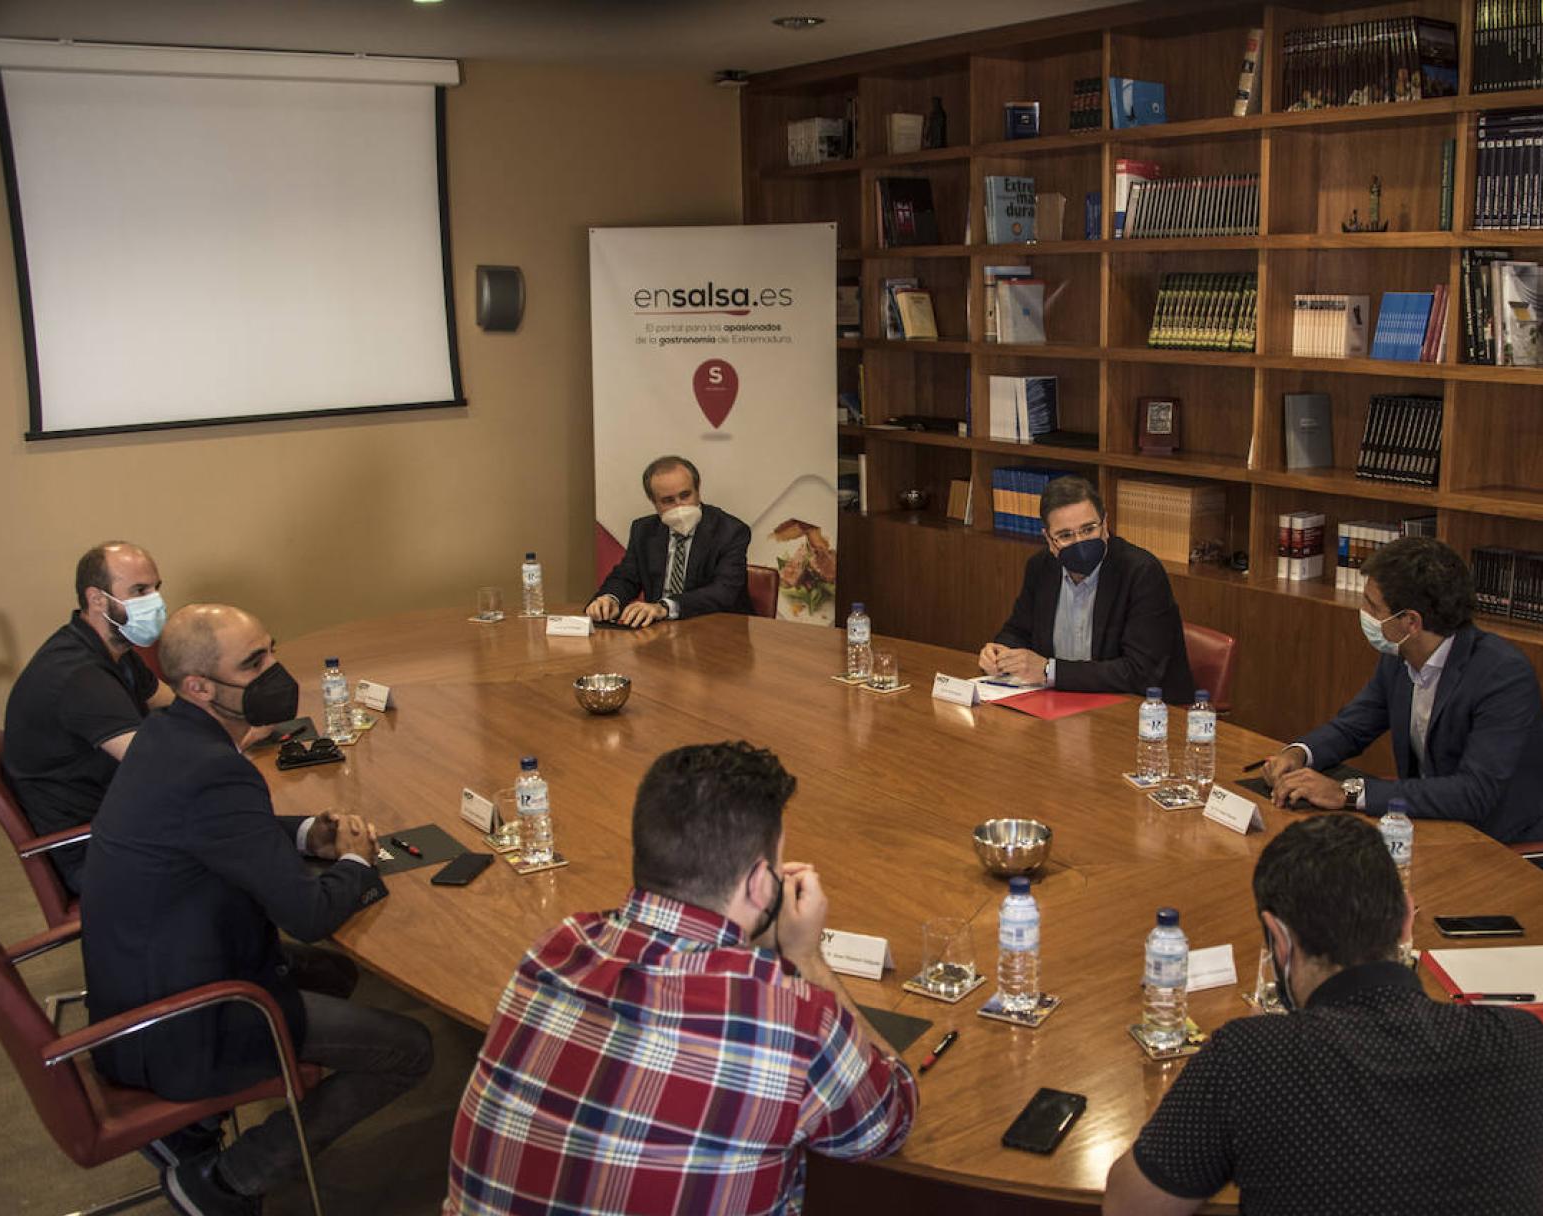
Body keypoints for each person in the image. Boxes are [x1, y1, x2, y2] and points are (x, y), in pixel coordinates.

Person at [446, 741, 916, 1216]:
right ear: (759, 884)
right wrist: (805, 958)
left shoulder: (556, 948)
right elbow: (888, 1123)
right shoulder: (789, 1020)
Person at [80, 604, 433, 1216]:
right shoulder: (215, 768)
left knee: (335, 975)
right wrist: (354, 862)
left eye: (270, 650)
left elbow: (220, 828)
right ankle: (225, 1180)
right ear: (198, 687)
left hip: (142, 978)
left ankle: (205, 1126)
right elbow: (309, 917)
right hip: (185, 1016)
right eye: (254, 663)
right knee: (411, 1049)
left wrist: (307, 838)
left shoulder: (170, 737)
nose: (274, 671)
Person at [1102, 814, 1543, 1216]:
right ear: (1407, 920)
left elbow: (1128, 1205)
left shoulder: (1249, 1058)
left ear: (1279, 940)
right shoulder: (1520, 1038)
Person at [1262, 536, 1543, 847]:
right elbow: (1352, 727)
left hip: (1503, 847)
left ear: (1411, 622)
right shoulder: (1399, 657)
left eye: (1371, 605)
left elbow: (1474, 793)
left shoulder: (1503, 675)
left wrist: (1347, 793)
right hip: (1428, 829)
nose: (1362, 612)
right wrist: (1299, 753)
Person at [2, 541, 174, 892]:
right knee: (231, 831)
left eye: (157, 588)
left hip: (124, 815)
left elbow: (173, 703)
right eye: (139, 590)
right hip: (97, 852)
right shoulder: (77, 676)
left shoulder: (113, 650)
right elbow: (159, 766)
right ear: (97, 599)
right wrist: (234, 741)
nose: (154, 601)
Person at [979, 476, 1194, 703]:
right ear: (1049, 540)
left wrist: (1048, 672)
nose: (1080, 542)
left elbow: (1141, 672)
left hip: (1141, 714)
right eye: (1065, 535)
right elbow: (1018, 631)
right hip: (1060, 706)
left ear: (1105, 524)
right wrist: (1000, 653)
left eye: (1088, 529)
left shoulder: (1141, 573)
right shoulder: (1041, 568)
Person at [586, 454, 751, 627]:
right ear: (653, 501)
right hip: (659, 633)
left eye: (685, 495)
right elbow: (626, 577)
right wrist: (611, 598)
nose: (680, 506)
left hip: (718, 631)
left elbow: (723, 591)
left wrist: (665, 607)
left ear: (698, 489)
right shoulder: (644, 530)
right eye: (668, 500)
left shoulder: (730, 531)